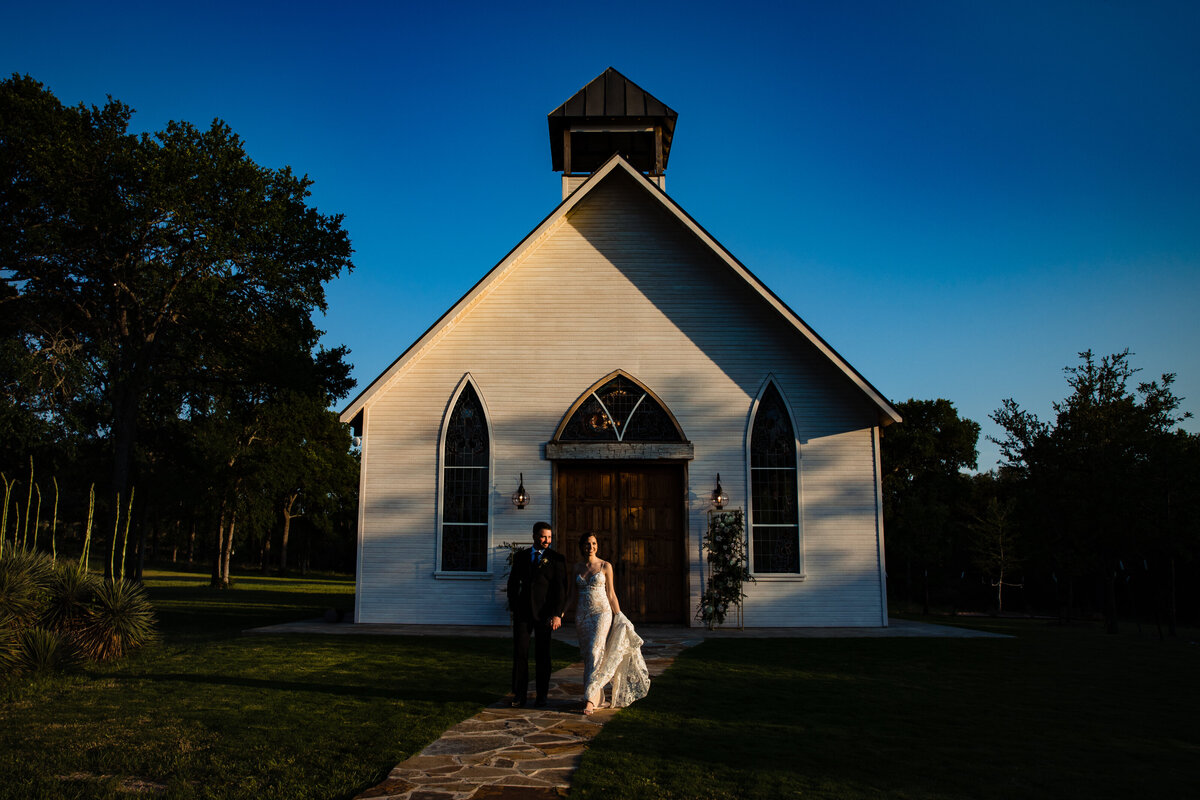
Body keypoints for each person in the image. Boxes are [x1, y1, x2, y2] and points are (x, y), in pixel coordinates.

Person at [569, 532, 650, 715]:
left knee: (595, 650)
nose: (591, 547)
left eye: (594, 543)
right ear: (582, 546)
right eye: (588, 544)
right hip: (582, 614)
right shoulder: (576, 568)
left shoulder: (606, 566)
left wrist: (619, 614)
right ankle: (597, 697)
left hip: (602, 613)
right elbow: (570, 595)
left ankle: (589, 699)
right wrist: (561, 613)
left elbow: (611, 594)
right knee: (589, 655)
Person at [507, 521, 569, 708]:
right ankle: (519, 695)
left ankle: (542, 696)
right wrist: (514, 606)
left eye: (549, 537)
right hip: (523, 614)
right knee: (520, 654)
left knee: (543, 656)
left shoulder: (556, 559)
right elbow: (512, 583)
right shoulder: (521, 557)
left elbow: (561, 590)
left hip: (545, 614)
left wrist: (557, 614)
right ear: (534, 536)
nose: (547, 541)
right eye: (543, 537)